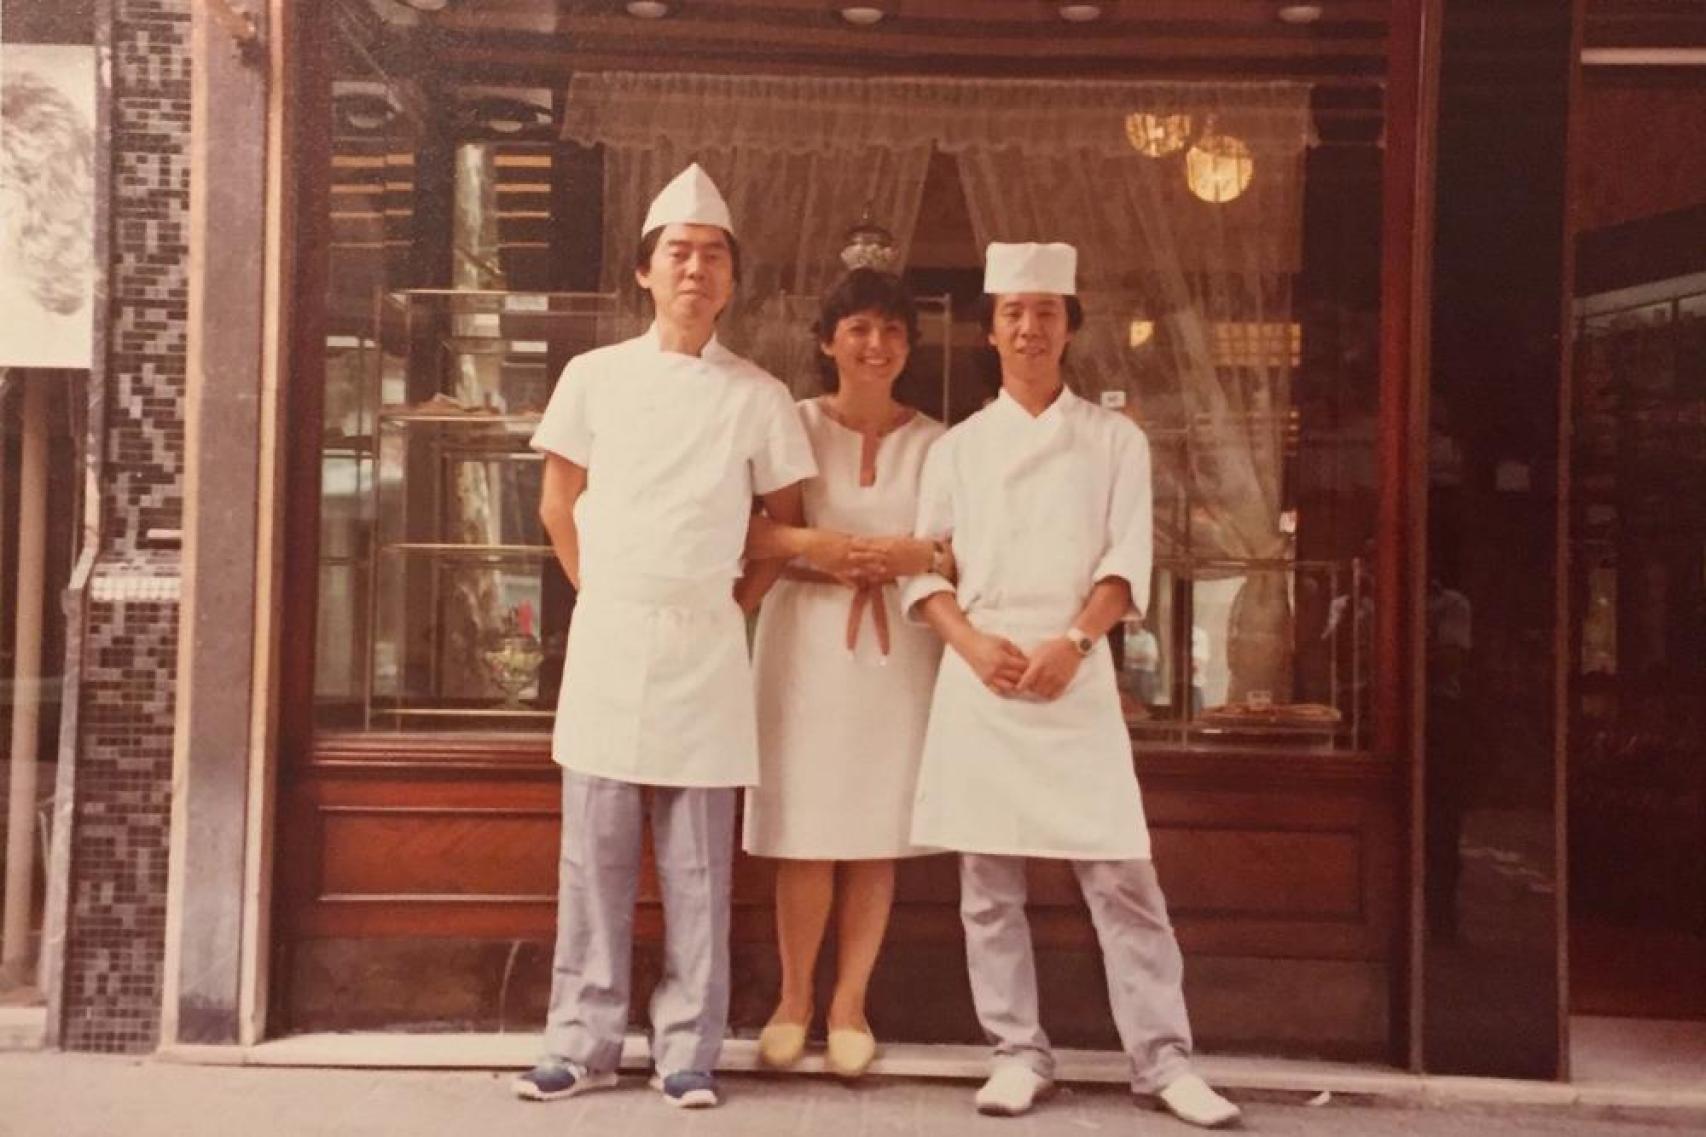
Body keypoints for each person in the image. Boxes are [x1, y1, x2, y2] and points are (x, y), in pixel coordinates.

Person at [900, 242, 1242, 1128]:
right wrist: (973, 645)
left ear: (1070, 328)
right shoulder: (957, 448)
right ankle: (1017, 1050)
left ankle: (1163, 1058)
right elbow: (922, 574)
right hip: (982, 676)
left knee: (1122, 876)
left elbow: (1129, 563)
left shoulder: (1114, 439)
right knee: (987, 883)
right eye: (1013, 313)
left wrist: (1075, 643)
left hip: (1074, 674)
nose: (1029, 327)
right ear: (991, 331)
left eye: (1046, 312)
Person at [511, 164, 816, 1110]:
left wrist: (729, 604)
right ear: (644, 272)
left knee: (696, 866)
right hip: (610, 637)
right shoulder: (592, 376)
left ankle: (689, 1048)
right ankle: (581, 1039)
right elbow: (560, 503)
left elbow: (784, 520)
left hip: (706, 644)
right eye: (678, 254)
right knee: (593, 860)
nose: (695, 270)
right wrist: (602, 594)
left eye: (712, 256)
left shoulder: (758, 394)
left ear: (731, 280)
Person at [739, 269, 947, 1079]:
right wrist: (817, 550)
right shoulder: (789, 425)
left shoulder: (937, 440)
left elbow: (961, 545)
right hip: (805, 643)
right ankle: (792, 1000)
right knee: (806, 828)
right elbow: (749, 529)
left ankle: (849, 1003)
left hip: (898, 651)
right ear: (828, 340)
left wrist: (913, 555)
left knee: (872, 832)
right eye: (858, 328)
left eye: (893, 331)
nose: (875, 345)